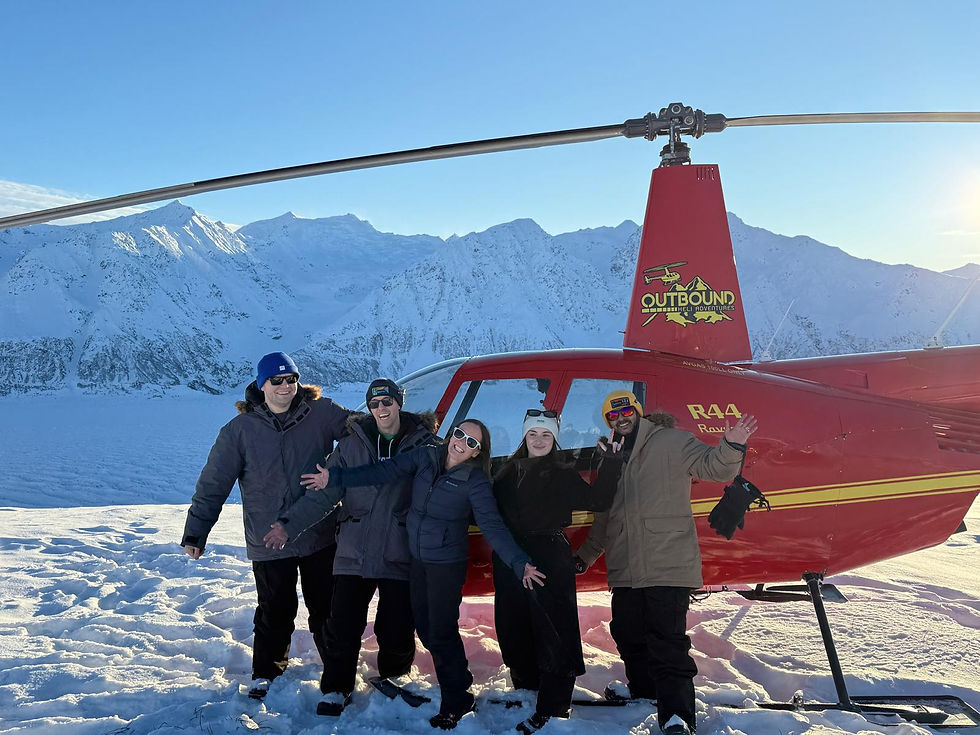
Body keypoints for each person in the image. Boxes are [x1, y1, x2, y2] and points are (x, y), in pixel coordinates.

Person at [272, 418, 545, 730]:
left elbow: (492, 526)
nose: (461, 443)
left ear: (476, 453)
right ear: (450, 434)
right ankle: (458, 685)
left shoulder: (475, 482)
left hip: (445, 565)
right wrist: (336, 476)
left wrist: (518, 561)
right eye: (459, 435)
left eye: (472, 443)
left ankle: (457, 696)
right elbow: (382, 471)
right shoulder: (426, 457)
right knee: (428, 629)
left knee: (440, 630)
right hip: (417, 561)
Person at [575, 390, 757, 735]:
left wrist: (732, 444)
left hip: (666, 564)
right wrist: (585, 557)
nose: (621, 418)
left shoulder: (671, 441)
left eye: (626, 411)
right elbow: (604, 517)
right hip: (626, 569)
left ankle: (677, 716)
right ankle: (645, 694)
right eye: (613, 416)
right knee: (628, 635)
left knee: (667, 643)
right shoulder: (609, 458)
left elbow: (714, 467)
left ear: (638, 412)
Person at [180, 351, 351, 700]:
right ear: (262, 384)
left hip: (318, 531)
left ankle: (337, 669)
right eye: (278, 380)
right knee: (275, 609)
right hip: (269, 537)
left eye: (292, 379)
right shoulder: (239, 431)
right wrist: (196, 531)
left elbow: (361, 431)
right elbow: (214, 483)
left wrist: (396, 425)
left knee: (326, 607)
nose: (286, 387)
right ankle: (266, 672)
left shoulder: (321, 413)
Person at [266, 378, 440, 716]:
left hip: (399, 548)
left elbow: (445, 490)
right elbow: (324, 494)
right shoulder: (351, 445)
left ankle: (394, 679)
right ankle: (336, 689)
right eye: (374, 405)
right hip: (354, 550)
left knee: (397, 625)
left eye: (387, 402)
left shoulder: (427, 444)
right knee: (342, 624)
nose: (381, 410)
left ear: (399, 403)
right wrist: (289, 525)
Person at [491, 409, 622, 734]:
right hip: (511, 557)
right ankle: (527, 688)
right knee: (513, 625)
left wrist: (610, 465)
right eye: (533, 433)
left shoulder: (562, 473)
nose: (538, 440)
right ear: (524, 435)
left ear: (554, 439)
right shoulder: (505, 473)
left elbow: (598, 499)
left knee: (554, 630)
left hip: (549, 555)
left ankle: (554, 706)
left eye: (546, 435)